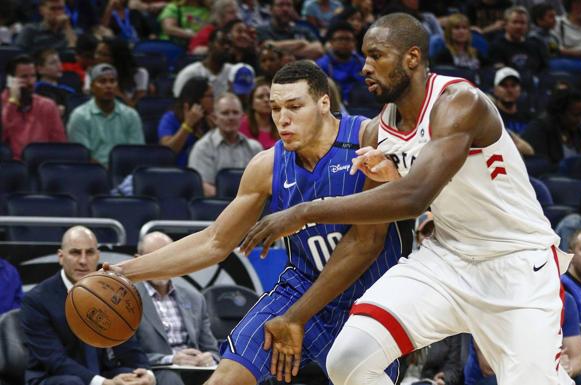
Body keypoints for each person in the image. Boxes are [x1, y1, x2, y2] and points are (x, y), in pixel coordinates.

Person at [239, 13, 575, 385]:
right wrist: (393, 175)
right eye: (364, 57)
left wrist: (303, 212)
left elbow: (415, 196)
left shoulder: (459, 102)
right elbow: (416, 193)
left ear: (411, 58)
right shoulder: (386, 123)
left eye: (376, 56)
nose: (365, 67)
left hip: (517, 265)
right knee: (349, 359)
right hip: (446, 258)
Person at [106, 60, 411, 385]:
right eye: (276, 108)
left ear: (324, 103)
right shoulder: (267, 165)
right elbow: (214, 242)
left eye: (294, 106)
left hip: (370, 297)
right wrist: (125, 272)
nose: (283, 118)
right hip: (301, 288)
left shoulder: (368, 139)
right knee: (223, 379)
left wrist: (296, 317)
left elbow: (366, 244)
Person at [21, 226, 156, 385]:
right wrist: (103, 383)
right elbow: (54, 360)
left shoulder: (108, 291)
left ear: (98, 255)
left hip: (101, 373)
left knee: (132, 378)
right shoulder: (37, 300)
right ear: (61, 256)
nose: (83, 261)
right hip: (52, 377)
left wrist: (144, 372)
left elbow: (125, 342)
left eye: (90, 253)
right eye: (75, 252)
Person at [135, 232, 220, 385]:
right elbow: (129, 355)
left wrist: (209, 358)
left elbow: (212, 349)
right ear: (137, 260)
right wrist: (171, 359)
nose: (161, 265)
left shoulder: (195, 298)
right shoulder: (128, 300)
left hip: (196, 370)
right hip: (156, 371)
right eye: (154, 258)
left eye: (167, 257)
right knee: (170, 379)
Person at [464, 292, 581, 385]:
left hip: (545, 375)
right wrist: (550, 366)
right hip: (501, 378)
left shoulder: (563, 299)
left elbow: (578, 360)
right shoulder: (491, 300)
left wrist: (567, 368)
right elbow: (489, 367)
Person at [67, 63, 144, 167]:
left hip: (125, 172)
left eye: (112, 81)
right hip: (92, 173)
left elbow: (137, 152)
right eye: (102, 81)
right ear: (92, 87)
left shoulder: (131, 115)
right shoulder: (79, 116)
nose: (108, 86)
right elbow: (83, 156)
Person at [188, 92, 262, 196]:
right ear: (215, 118)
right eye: (225, 113)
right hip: (217, 208)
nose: (231, 117)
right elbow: (202, 186)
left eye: (235, 113)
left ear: (242, 117)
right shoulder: (202, 148)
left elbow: (262, 185)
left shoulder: (255, 148)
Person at [2, 54, 66, 160]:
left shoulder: (47, 105)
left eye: (33, 76)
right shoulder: (2, 104)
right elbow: (3, 136)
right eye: (24, 77)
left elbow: (59, 145)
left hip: (41, 167)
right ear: (10, 80)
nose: (31, 82)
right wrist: (12, 102)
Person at [158, 77, 214, 167]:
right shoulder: (170, 118)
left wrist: (215, 130)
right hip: (178, 172)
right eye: (210, 96)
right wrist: (187, 125)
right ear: (198, 98)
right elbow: (168, 151)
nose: (214, 100)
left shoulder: (212, 119)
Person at [85, 37, 149, 107]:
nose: (97, 57)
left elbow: (136, 109)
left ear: (117, 58)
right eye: (97, 53)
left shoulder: (140, 73)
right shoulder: (91, 72)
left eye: (105, 55)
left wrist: (118, 93)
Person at [173, 28, 233, 98]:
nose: (227, 47)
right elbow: (179, 104)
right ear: (210, 45)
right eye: (222, 43)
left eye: (230, 44)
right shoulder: (190, 73)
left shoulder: (234, 72)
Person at [255, 0, 324, 60]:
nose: (285, 9)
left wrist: (279, 51)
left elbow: (319, 49)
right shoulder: (262, 30)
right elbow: (267, 48)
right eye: (280, 5)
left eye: (289, 5)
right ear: (271, 9)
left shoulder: (303, 30)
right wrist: (301, 43)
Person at [34, 48, 76, 119]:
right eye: (53, 63)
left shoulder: (68, 90)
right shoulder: (36, 91)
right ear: (40, 69)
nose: (59, 65)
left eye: (59, 61)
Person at [238, 77, 279, 150]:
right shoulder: (241, 125)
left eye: (269, 96)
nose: (266, 100)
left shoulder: (281, 123)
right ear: (251, 103)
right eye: (260, 97)